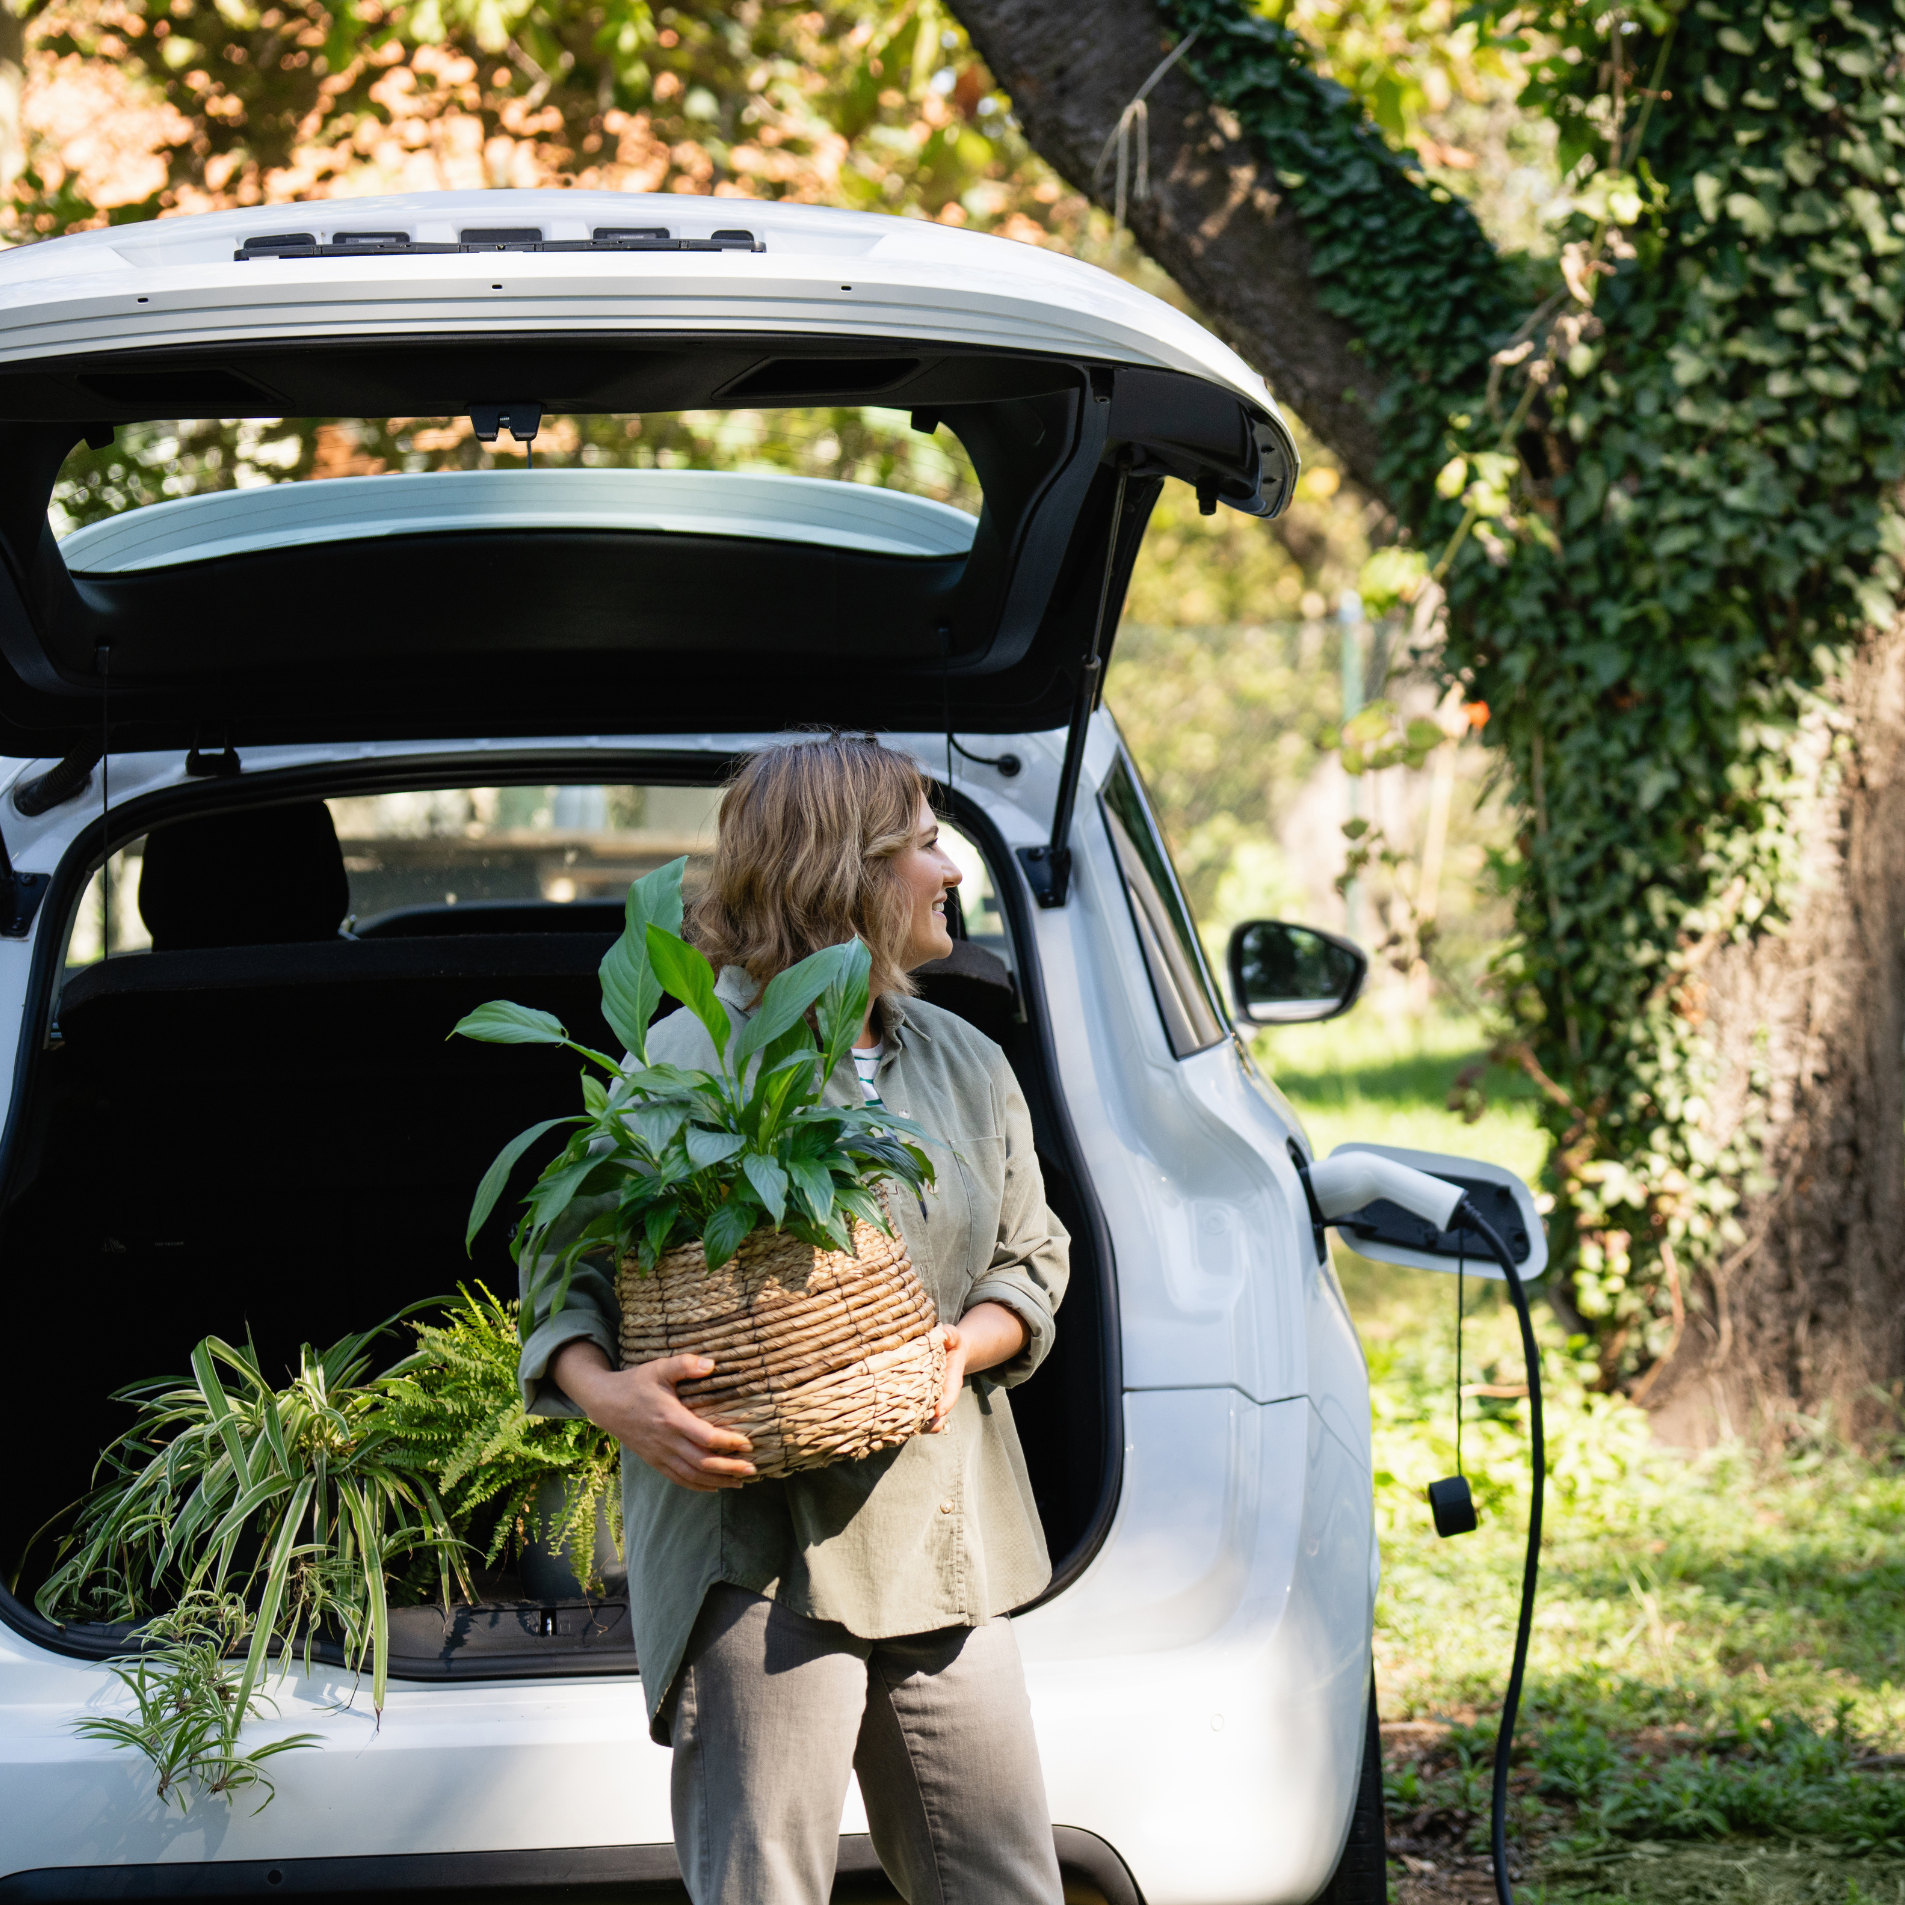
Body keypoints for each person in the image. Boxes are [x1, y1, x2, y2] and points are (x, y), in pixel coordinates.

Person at [516, 733, 1070, 1905]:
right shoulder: (681, 1066)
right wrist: (611, 1396)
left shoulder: (965, 1059)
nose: (952, 871)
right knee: (766, 1885)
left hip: (942, 1534)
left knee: (1007, 1883)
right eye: (926, 846)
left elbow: (1034, 1255)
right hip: (756, 1556)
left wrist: (958, 1350)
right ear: (847, 873)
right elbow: (565, 1276)